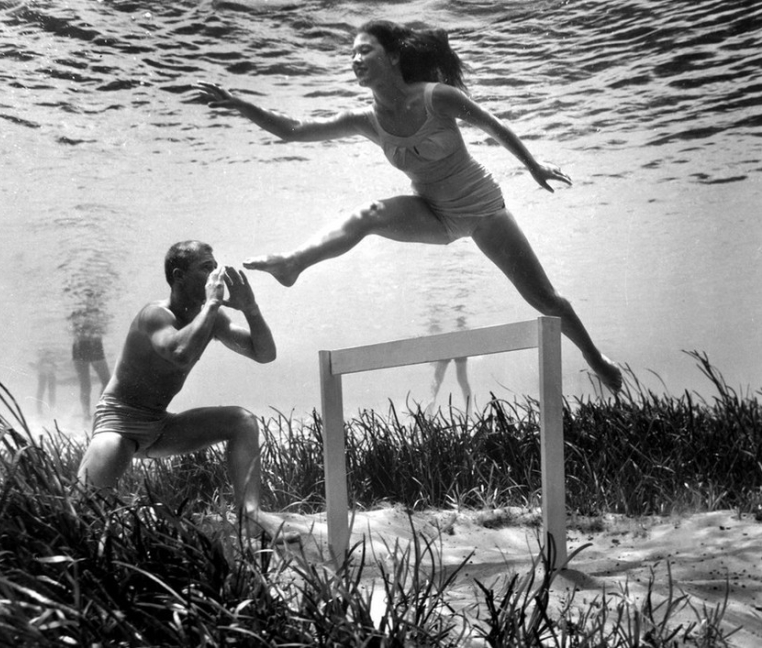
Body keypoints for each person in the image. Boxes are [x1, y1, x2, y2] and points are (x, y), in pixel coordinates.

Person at [193, 19, 622, 392]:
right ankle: (294, 263)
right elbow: (294, 130)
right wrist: (241, 105)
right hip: (432, 212)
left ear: (394, 55)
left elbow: (494, 126)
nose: (355, 60)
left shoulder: (437, 97)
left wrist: (534, 166)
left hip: (482, 209)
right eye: (352, 54)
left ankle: (594, 355)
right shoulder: (367, 120)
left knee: (545, 300)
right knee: (370, 215)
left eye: (365, 50)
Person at [77, 240, 282, 535]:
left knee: (242, 421)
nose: (216, 276)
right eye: (206, 268)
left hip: (159, 426)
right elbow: (179, 352)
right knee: (82, 513)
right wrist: (211, 303)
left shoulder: (212, 320)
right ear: (178, 276)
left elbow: (264, 354)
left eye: (215, 266)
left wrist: (251, 308)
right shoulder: (155, 315)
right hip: (118, 424)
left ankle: (250, 516)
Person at [70, 298, 112, 422]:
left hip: (78, 345)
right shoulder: (97, 309)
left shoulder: (75, 309)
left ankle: (86, 416)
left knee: (85, 384)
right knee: (106, 381)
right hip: (94, 344)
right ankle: (99, 413)